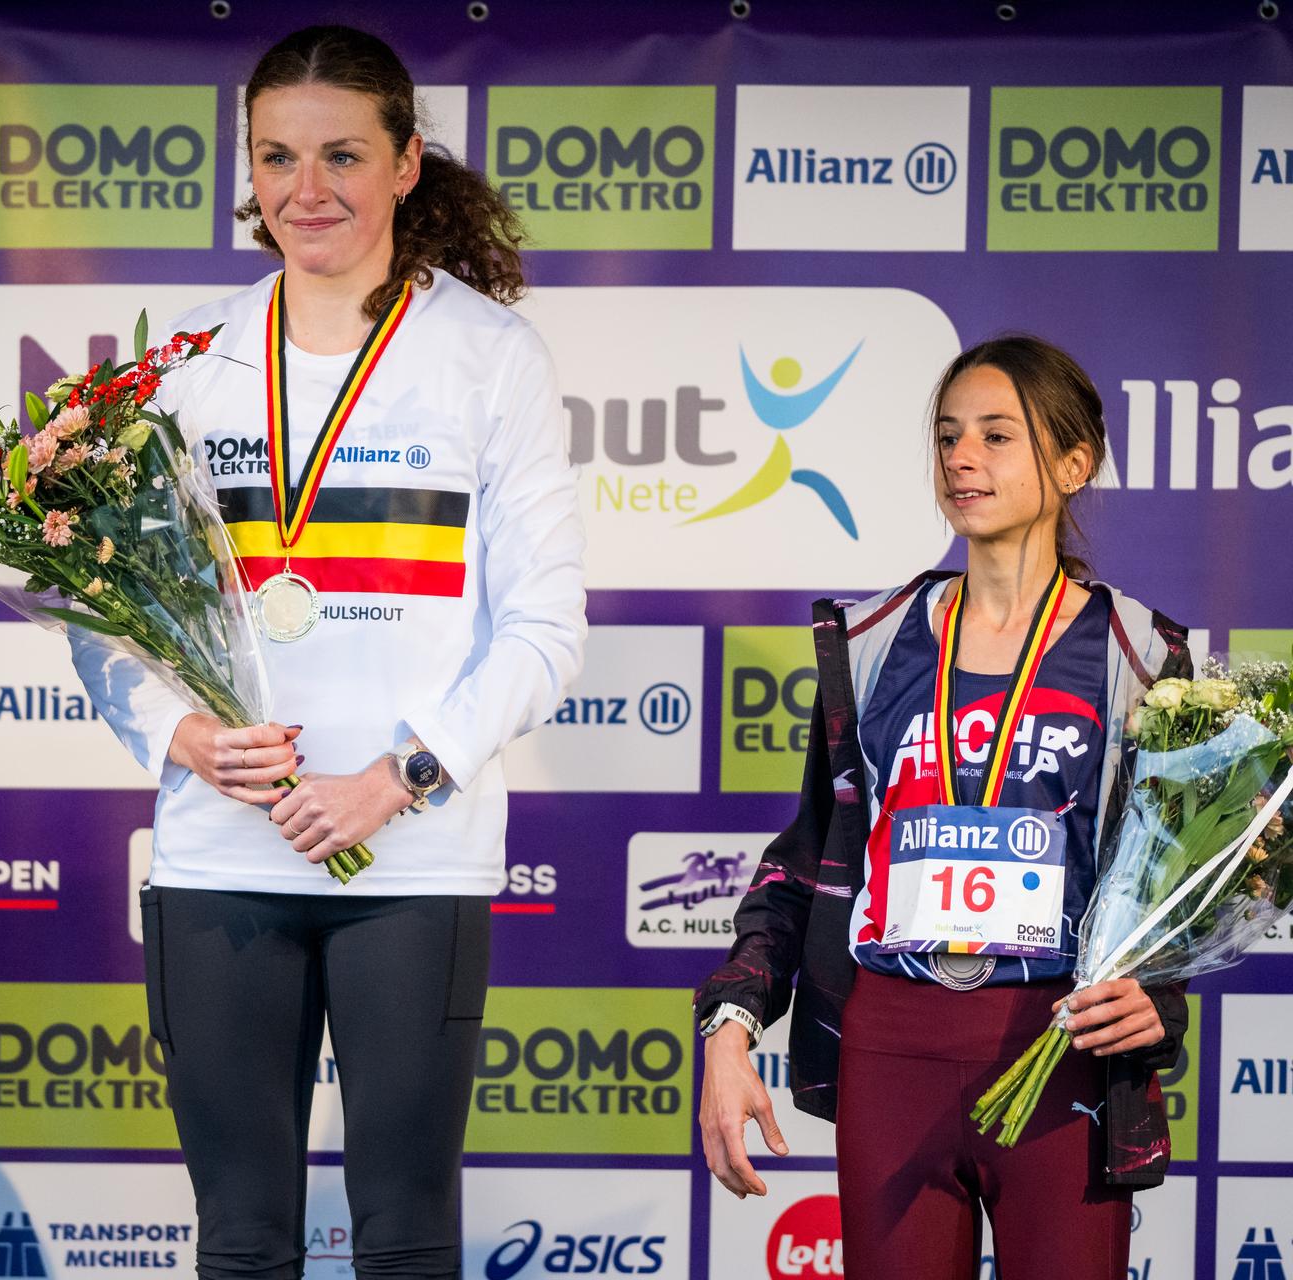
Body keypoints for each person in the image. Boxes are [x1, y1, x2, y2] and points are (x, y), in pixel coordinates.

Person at [70, 24, 585, 1280]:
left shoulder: (489, 354)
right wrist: (176, 732)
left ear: (408, 162)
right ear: (247, 169)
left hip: (410, 853)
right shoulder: (183, 362)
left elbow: (545, 624)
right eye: (278, 157)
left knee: (406, 1237)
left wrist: (399, 778)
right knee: (241, 1242)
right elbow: (94, 603)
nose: (309, 190)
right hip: (216, 848)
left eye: (343, 155)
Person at [695, 335, 1191, 1279]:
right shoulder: (873, 641)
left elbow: (1175, 888)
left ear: (1074, 463)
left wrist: (1158, 998)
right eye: (948, 435)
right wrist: (730, 1024)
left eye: (998, 436)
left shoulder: (1141, 655)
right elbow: (806, 858)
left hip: (1059, 1054)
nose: (962, 458)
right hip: (892, 1051)